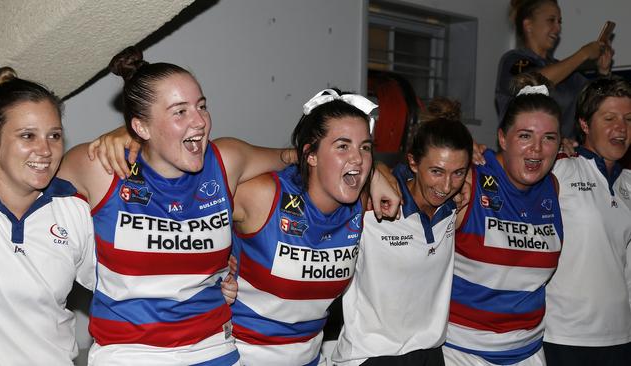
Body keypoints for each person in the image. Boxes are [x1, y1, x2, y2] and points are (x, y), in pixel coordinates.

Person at [60, 48, 399, 365]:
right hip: (130, 353)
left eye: (202, 106)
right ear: (140, 125)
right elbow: (30, 191)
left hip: (214, 348)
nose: (200, 121)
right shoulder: (100, 166)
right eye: (180, 112)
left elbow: (296, 157)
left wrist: (374, 171)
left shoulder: (225, 160)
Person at [229, 89, 378, 366]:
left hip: (309, 356)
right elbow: (189, 194)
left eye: (365, 147)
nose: (358, 158)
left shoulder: (361, 203)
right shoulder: (265, 196)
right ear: (310, 155)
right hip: (239, 355)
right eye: (343, 146)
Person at [332, 112, 473, 365]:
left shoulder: (454, 206)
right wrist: (375, 170)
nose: (447, 185)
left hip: (429, 353)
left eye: (458, 173)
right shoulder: (372, 204)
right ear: (413, 163)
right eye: (437, 171)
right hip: (371, 356)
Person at [0, 68, 95, 364]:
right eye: (27, 135)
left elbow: (123, 289)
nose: (45, 150)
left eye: (54, 135)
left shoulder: (74, 210)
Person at [444, 84, 563, 365]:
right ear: (502, 138)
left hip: (529, 351)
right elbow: (415, 180)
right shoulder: (469, 180)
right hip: (462, 352)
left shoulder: (553, 187)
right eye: (525, 136)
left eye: (549, 138)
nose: (537, 148)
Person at [543, 77, 631, 365]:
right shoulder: (558, 170)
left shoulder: (630, 182)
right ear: (584, 124)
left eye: (628, 119)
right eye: (609, 118)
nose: (621, 128)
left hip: (620, 336)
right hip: (564, 336)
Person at [496, 0, 613, 140]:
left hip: (565, 157)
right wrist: (583, 54)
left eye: (559, 22)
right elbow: (533, 81)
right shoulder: (513, 60)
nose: (557, 28)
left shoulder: (567, 71)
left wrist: (603, 71)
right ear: (528, 25)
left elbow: (595, 101)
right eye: (551, 20)